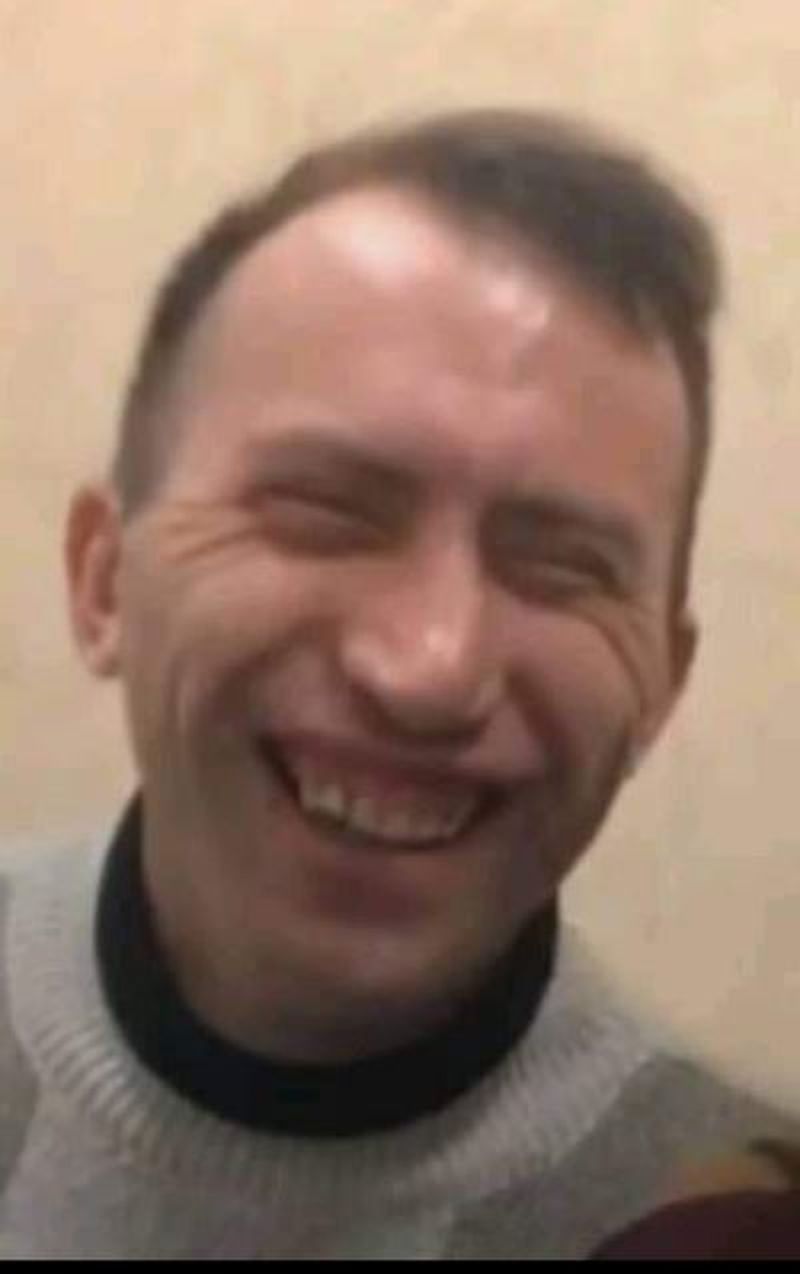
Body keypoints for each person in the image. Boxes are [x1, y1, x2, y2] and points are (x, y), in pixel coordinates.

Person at [0, 109, 794, 1259]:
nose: (432, 665)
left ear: (658, 689)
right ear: (103, 580)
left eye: (561, 568)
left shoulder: (722, 1222)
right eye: (323, 512)